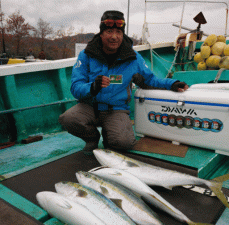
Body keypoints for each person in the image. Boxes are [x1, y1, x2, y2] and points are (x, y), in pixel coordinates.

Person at [59, 10, 188, 154]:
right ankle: (92, 138)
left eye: (118, 32)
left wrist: (171, 84)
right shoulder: (87, 55)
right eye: (109, 31)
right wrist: (93, 87)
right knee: (68, 119)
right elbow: (76, 87)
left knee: (123, 142)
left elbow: (149, 80)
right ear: (101, 34)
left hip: (116, 109)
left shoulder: (133, 57)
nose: (114, 37)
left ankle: (110, 137)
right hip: (90, 106)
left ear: (123, 34)